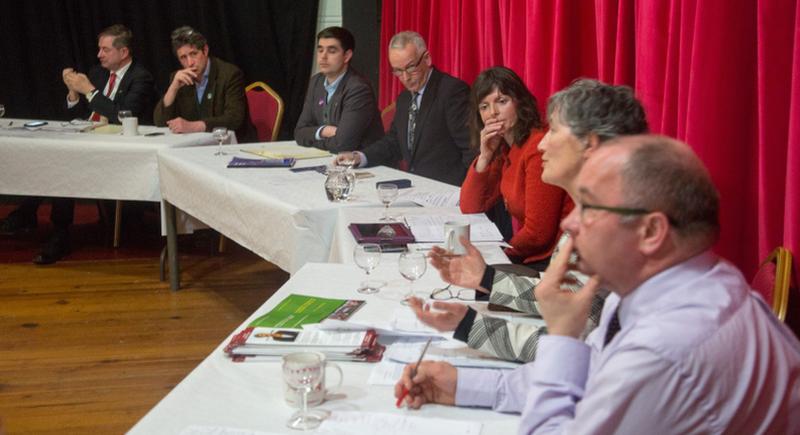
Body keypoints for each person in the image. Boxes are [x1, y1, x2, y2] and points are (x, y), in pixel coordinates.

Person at [396, 135, 800, 434]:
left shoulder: (666, 348)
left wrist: (562, 335)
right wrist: (463, 384)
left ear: (651, 231)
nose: (569, 223)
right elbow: (585, 375)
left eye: (589, 208)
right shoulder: (694, 282)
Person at [412, 79, 648, 362]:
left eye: (555, 131)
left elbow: (568, 349)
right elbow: (563, 297)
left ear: (590, 145)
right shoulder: (596, 211)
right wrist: (485, 278)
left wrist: (469, 326)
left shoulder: (608, 230)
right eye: (485, 106)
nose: (545, 142)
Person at [0, 24, 157, 264]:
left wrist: (90, 92)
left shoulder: (141, 77)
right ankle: (46, 224)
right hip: (86, 140)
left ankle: (40, 221)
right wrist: (73, 94)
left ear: (123, 52)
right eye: (99, 49)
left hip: (118, 152)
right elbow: (78, 113)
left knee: (64, 164)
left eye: (105, 50)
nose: (99, 55)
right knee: (54, 158)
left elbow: (124, 115)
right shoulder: (98, 72)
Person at [460, 66, 570, 268]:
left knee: (473, 283)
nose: (493, 113)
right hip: (529, 255)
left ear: (520, 102)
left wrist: (500, 255)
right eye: (484, 107)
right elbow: (470, 207)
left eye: (502, 102)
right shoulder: (504, 147)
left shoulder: (537, 148)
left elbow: (538, 235)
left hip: (552, 263)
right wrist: (484, 157)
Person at [334, 31, 475, 186]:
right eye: (398, 71)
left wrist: (466, 192)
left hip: (448, 190)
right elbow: (394, 142)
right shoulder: (405, 98)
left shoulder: (452, 92)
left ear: (427, 58)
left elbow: (471, 148)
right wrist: (359, 157)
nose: (406, 77)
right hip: (417, 187)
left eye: (411, 67)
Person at [154, 26, 255, 142]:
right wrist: (173, 88)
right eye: (183, 58)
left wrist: (193, 126)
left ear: (205, 50)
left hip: (230, 145)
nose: (190, 63)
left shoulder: (230, 75)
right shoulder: (178, 79)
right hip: (193, 146)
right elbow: (160, 122)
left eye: (193, 54)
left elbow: (234, 118)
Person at [294, 26, 384, 153]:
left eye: (331, 51)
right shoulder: (316, 82)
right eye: (320, 50)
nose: (323, 57)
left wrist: (312, 139)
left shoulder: (358, 89)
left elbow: (342, 145)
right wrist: (325, 131)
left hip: (365, 166)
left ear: (346, 56)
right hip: (332, 160)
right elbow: (299, 132)